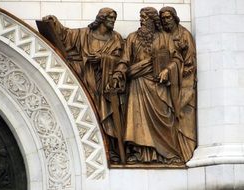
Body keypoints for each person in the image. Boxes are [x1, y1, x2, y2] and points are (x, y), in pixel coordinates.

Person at [42, 8, 124, 163]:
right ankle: (92, 143)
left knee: (108, 114)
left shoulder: (116, 39)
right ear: (101, 19)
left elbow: (121, 60)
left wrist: (102, 58)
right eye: (110, 18)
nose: (113, 21)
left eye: (115, 18)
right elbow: (66, 35)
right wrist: (54, 22)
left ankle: (111, 149)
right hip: (87, 80)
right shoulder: (84, 34)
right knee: (90, 111)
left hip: (106, 84)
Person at [113, 7, 183, 164]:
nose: (142, 20)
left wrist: (167, 70)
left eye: (145, 17)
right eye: (141, 17)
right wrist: (118, 73)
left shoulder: (164, 37)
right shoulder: (132, 38)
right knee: (136, 119)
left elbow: (176, 59)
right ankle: (138, 153)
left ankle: (165, 154)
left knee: (164, 117)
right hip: (138, 84)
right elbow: (124, 60)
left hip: (159, 84)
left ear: (153, 20)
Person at [159, 6, 197, 162]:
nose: (165, 21)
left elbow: (190, 62)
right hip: (168, 84)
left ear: (174, 17)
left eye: (168, 17)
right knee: (169, 115)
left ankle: (186, 153)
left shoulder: (184, 35)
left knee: (183, 113)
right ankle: (173, 151)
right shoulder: (163, 36)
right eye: (163, 19)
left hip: (184, 83)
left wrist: (172, 70)